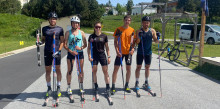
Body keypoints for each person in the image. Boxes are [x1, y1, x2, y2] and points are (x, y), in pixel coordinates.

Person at [36, 12, 64, 97]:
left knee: (58, 70)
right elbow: (43, 40)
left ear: (56, 20)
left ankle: (58, 86)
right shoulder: (44, 29)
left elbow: (62, 42)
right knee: (48, 71)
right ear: (49, 19)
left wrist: (58, 51)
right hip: (47, 51)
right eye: (51, 18)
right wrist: (40, 42)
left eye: (54, 18)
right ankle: (49, 88)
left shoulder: (60, 29)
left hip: (56, 52)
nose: (53, 20)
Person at [111, 15, 136, 95]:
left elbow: (133, 42)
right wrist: (117, 51)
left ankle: (126, 85)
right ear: (123, 20)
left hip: (128, 53)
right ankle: (113, 86)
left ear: (130, 21)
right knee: (116, 69)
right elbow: (115, 42)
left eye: (129, 20)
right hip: (120, 53)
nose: (127, 21)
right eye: (126, 20)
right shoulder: (118, 29)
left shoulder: (132, 30)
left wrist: (133, 49)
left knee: (128, 69)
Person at [63, 15, 87, 95]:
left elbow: (85, 44)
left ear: (78, 24)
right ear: (71, 24)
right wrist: (70, 51)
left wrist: (81, 48)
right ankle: (69, 87)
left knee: (80, 70)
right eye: (73, 23)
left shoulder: (82, 33)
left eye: (76, 23)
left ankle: (81, 86)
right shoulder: (67, 33)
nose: (75, 24)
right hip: (71, 54)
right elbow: (64, 45)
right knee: (70, 71)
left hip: (80, 53)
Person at [87, 22, 111, 99]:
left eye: (99, 27)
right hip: (94, 56)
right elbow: (88, 48)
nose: (98, 28)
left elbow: (107, 48)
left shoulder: (104, 36)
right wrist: (89, 55)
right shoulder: (91, 37)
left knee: (105, 71)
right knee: (94, 71)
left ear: (101, 27)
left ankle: (107, 87)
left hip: (102, 55)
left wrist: (109, 56)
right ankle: (96, 86)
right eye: (96, 27)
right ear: (94, 27)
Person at [134, 16, 159, 91]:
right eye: (144, 22)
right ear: (142, 23)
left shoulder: (152, 31)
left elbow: (156, 41)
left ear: (149, 23)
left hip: (148, 52)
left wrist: (158, 37)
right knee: (138, 67)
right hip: (140, 52)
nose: (146, 24)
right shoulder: (138, 31)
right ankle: (137, 82)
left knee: (147, 67)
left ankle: (146, 82)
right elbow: (137, 42)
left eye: (147, 23)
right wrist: (139, 37)